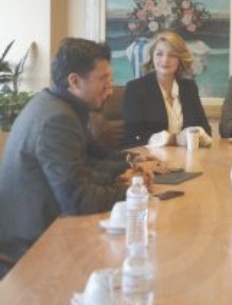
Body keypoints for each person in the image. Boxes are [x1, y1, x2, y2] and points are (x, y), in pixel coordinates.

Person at [0, 38, 155, 278]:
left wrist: (129, 169)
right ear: (74, 81)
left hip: (47, 224)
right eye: (104, 81)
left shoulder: (58, 104)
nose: (110, 90)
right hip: (30, 249)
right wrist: (134, 191)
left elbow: (89, 160)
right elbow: (77, 199)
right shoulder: (57, 119)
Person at [123, 31, 211, 147]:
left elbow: (206, 130)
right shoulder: (136, 89)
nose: (165, 60)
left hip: (187, 156)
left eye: (172, 55)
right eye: (159, 54)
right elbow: (132, 137)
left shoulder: (189, 88)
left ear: (180, 59)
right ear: (152, 57)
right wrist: (173, 139)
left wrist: (196, 134)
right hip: (151, 156)